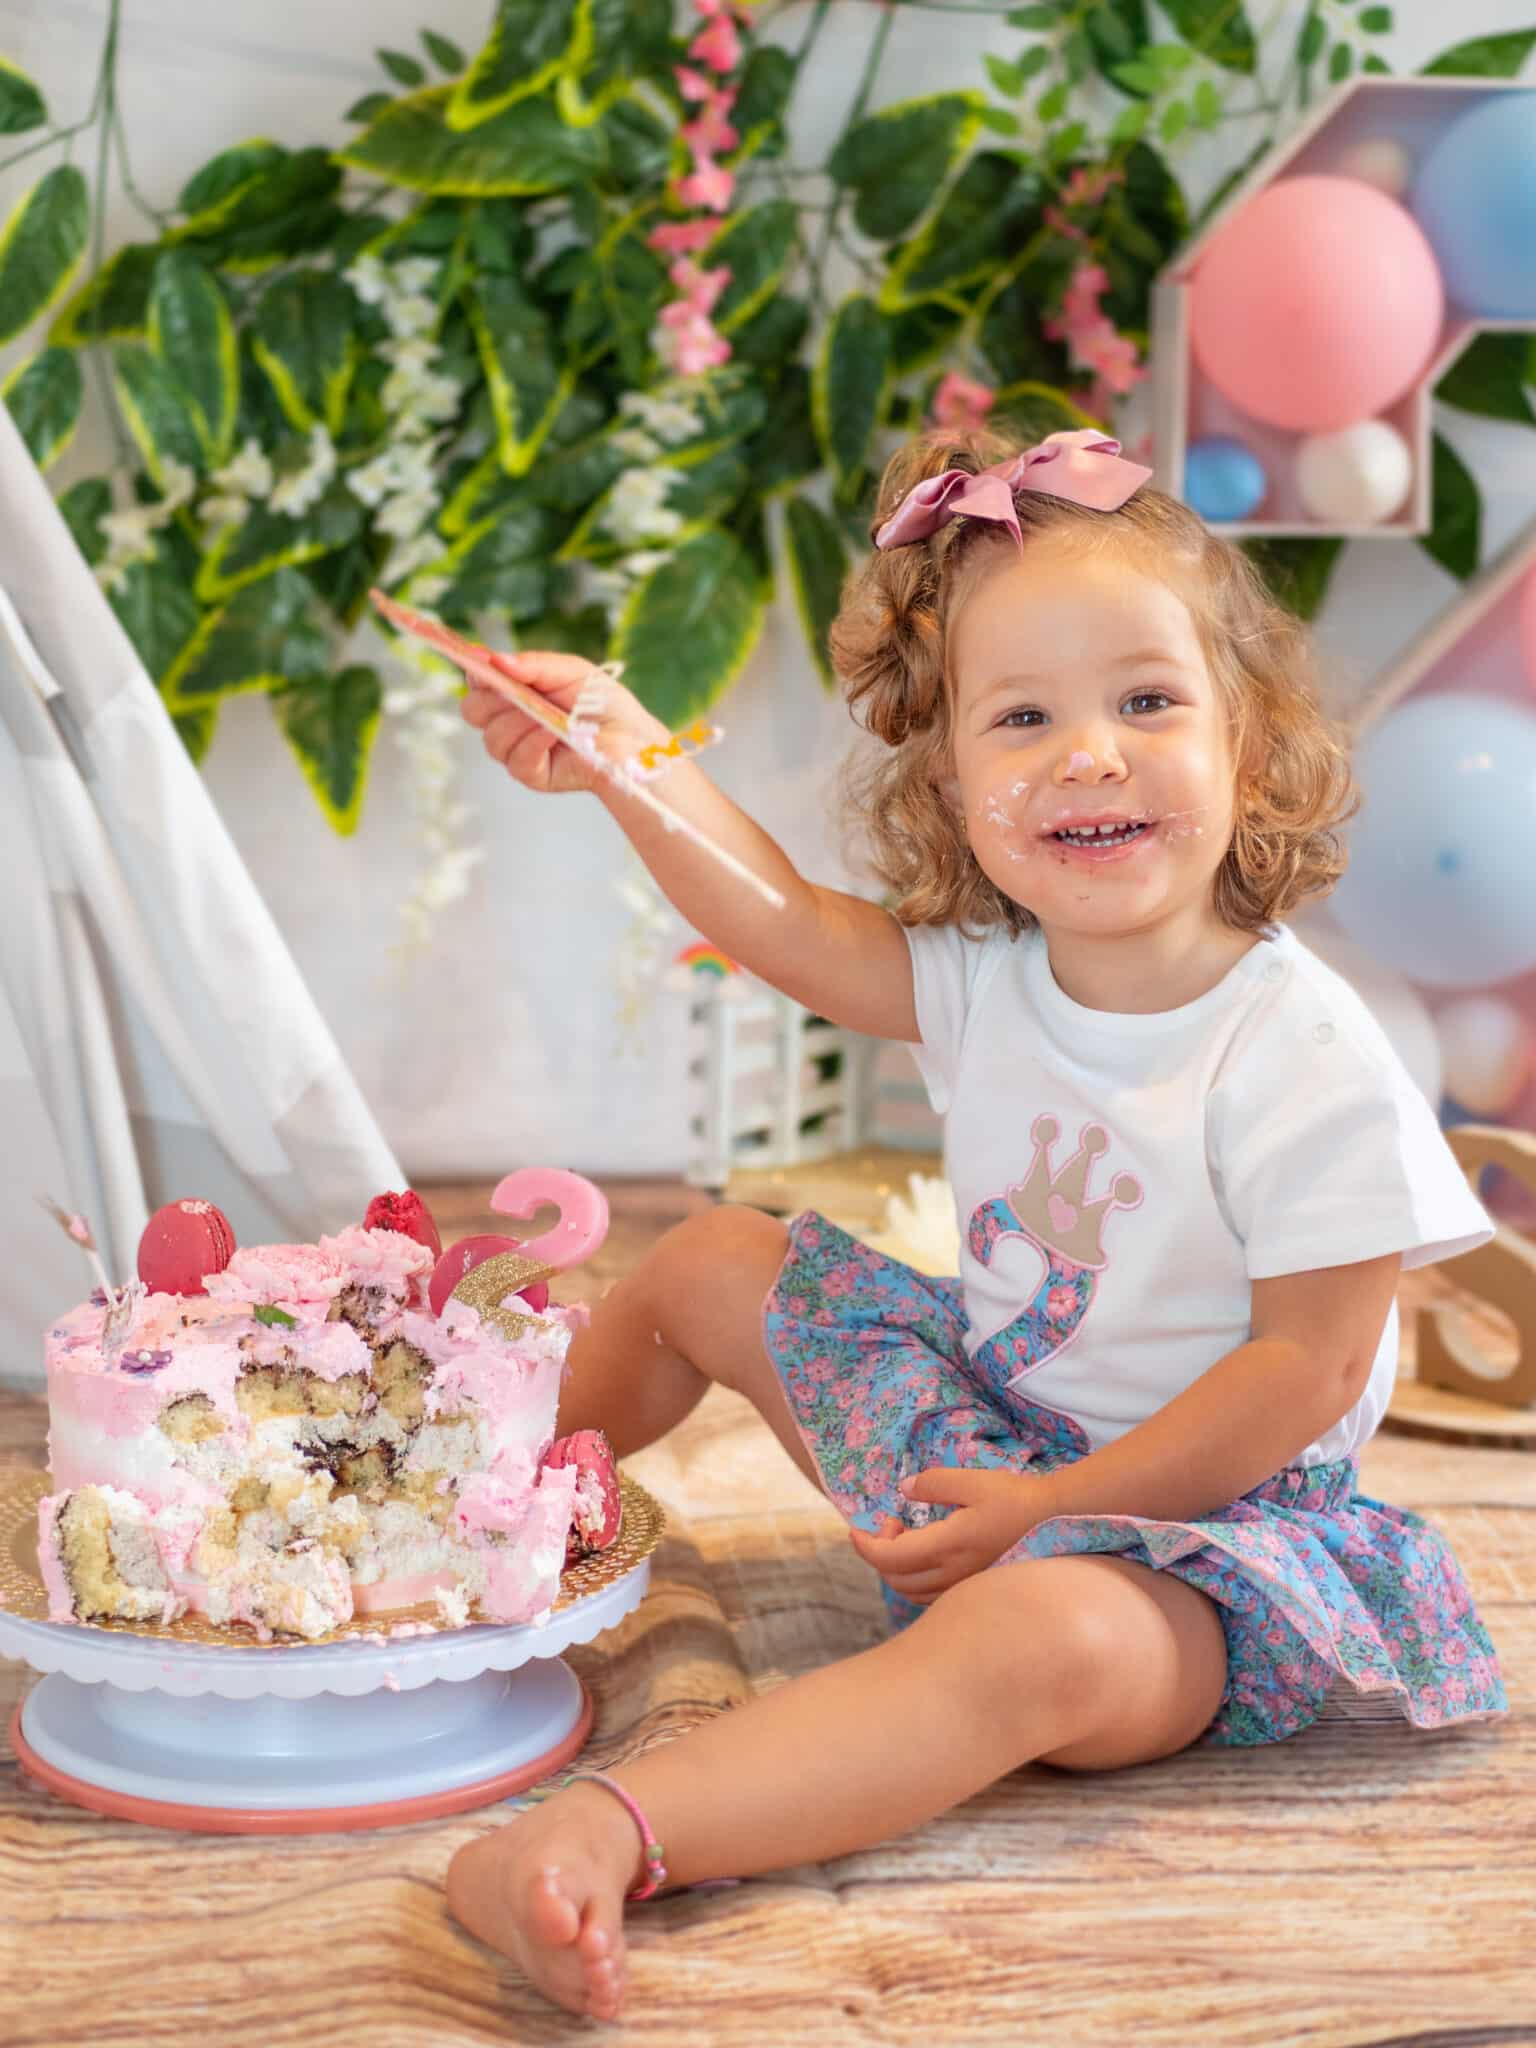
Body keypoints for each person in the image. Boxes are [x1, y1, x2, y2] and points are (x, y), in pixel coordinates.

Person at [443, 425, 1508, 2022]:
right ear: (954, 785)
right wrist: (623, 751)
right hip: (988, 1437)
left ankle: (610, 1834)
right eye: (1025, 717)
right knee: (709, 1262)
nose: (1090, 752)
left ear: (1251, 738)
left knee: (1039, 1646)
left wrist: (1054, 1513)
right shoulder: (996, 979)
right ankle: (466, 1553)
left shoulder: (1303, 1054)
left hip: (1202, 1547)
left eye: (1148, 701)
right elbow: (789, 926)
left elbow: (1300, 1370)